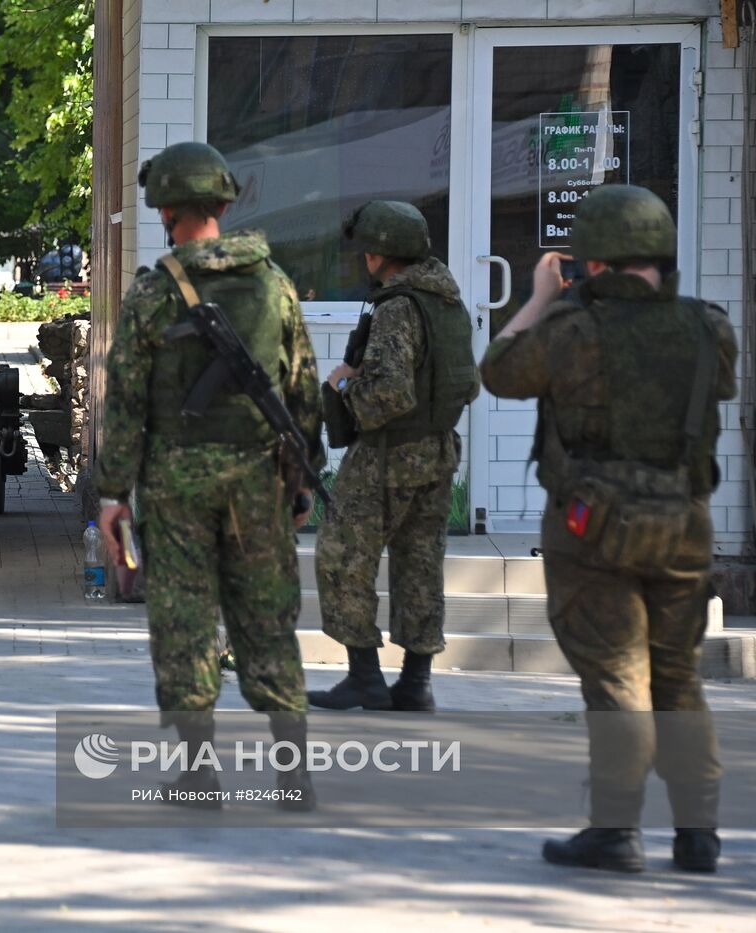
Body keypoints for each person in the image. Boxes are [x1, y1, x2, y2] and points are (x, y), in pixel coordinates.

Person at [480, 184, 732, 873]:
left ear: (590, 262)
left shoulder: (570, 332)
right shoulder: (711, 326)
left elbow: (498, 371)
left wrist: (539, 296)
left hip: (592, 528)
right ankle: (698, 831)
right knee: (678, 675)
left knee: (618, 673)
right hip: (685, 520)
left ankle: (616, 829)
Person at [96, 142, 324, 809]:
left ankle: (197, 775)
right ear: (225, 203)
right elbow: (302, 389)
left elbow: (127, 401)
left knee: (184, 623)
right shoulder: (275, 283)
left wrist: (113, 494)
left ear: (165, 208)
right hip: (259, 483)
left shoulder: (153, 290)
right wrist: (302, 479)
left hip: (174, 486)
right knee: (266, 621)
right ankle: (293, 775)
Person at [310, 201, 478, 713]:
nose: (363, 259)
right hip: (437, 452)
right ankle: (415, 683)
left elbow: (390, 394)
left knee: (341, 556)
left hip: (388, 457)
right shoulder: (446, 301)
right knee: (420, 565)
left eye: (367, 250)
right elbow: (463, 382)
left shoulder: (397, 308)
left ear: (381, 253)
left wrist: (342, 389)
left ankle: (364, 676)